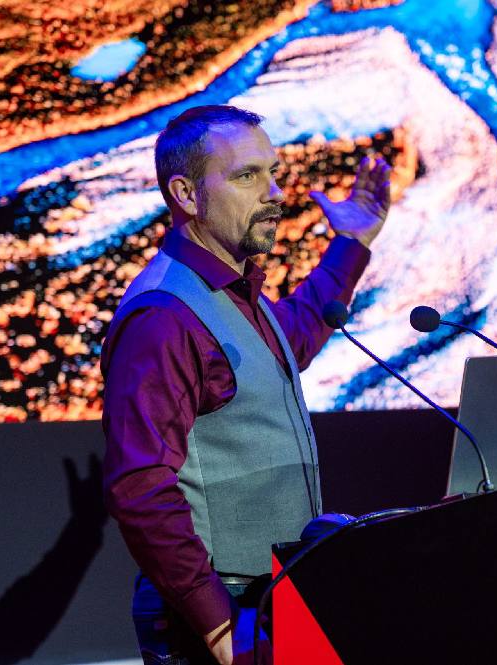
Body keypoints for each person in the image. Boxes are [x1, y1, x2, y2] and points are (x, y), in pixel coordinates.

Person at [101, 105, 391, 665]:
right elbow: (139, 485)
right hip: (219, 615)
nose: (274, 192)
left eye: (272, 172)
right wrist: (218, 628)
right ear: (186, 194)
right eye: (246, 175)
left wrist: (351, 244)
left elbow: (295, 335)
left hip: (267, 598)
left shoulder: (232, 294)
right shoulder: (164, 316)